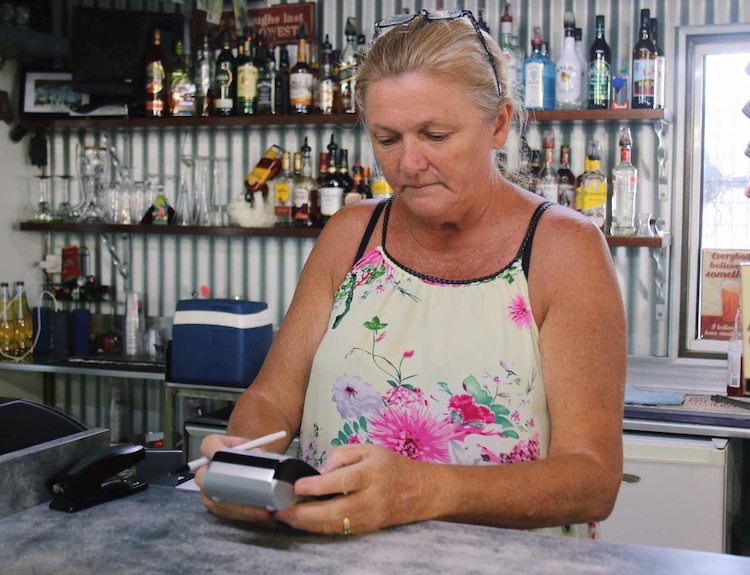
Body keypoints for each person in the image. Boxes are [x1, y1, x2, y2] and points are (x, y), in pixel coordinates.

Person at [195, 9, 626, 537]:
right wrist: (245, 462)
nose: (408, 163)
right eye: (387, 138)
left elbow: (592, 480)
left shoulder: (563, 250)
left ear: (499, 124)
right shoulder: (350, 236)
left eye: (436, 134)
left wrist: (420, 491)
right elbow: (270, 398)